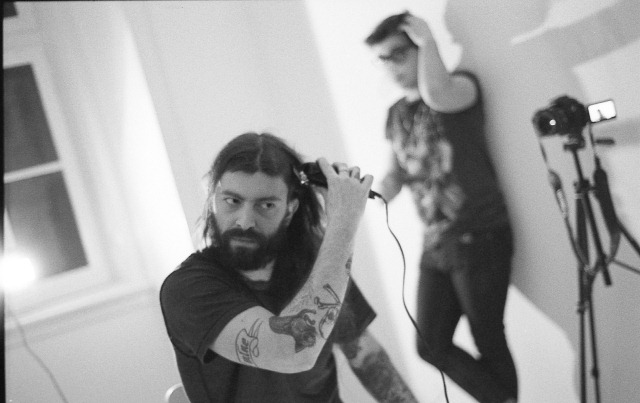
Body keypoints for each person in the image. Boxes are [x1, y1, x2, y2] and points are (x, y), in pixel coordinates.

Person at [160, 132, 418, 403]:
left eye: (266, 205)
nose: (245, 221)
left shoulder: (316, 262)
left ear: (290, 209)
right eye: (232, 201)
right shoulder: (186, 288)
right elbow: (290, 350)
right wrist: (343, 223)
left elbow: (366, 356)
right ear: (213, 199)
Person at [365, 12, 518, 403]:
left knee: (487, 336)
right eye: (383, 59)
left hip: (480, 234)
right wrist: (375, 190)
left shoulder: (460, 87)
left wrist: (429, 41)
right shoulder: (395, 114)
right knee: (429, 343)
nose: (391, 66)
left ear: (419, 47)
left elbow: (435, 94)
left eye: (398, 53)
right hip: (436, 244)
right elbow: (396, 172)